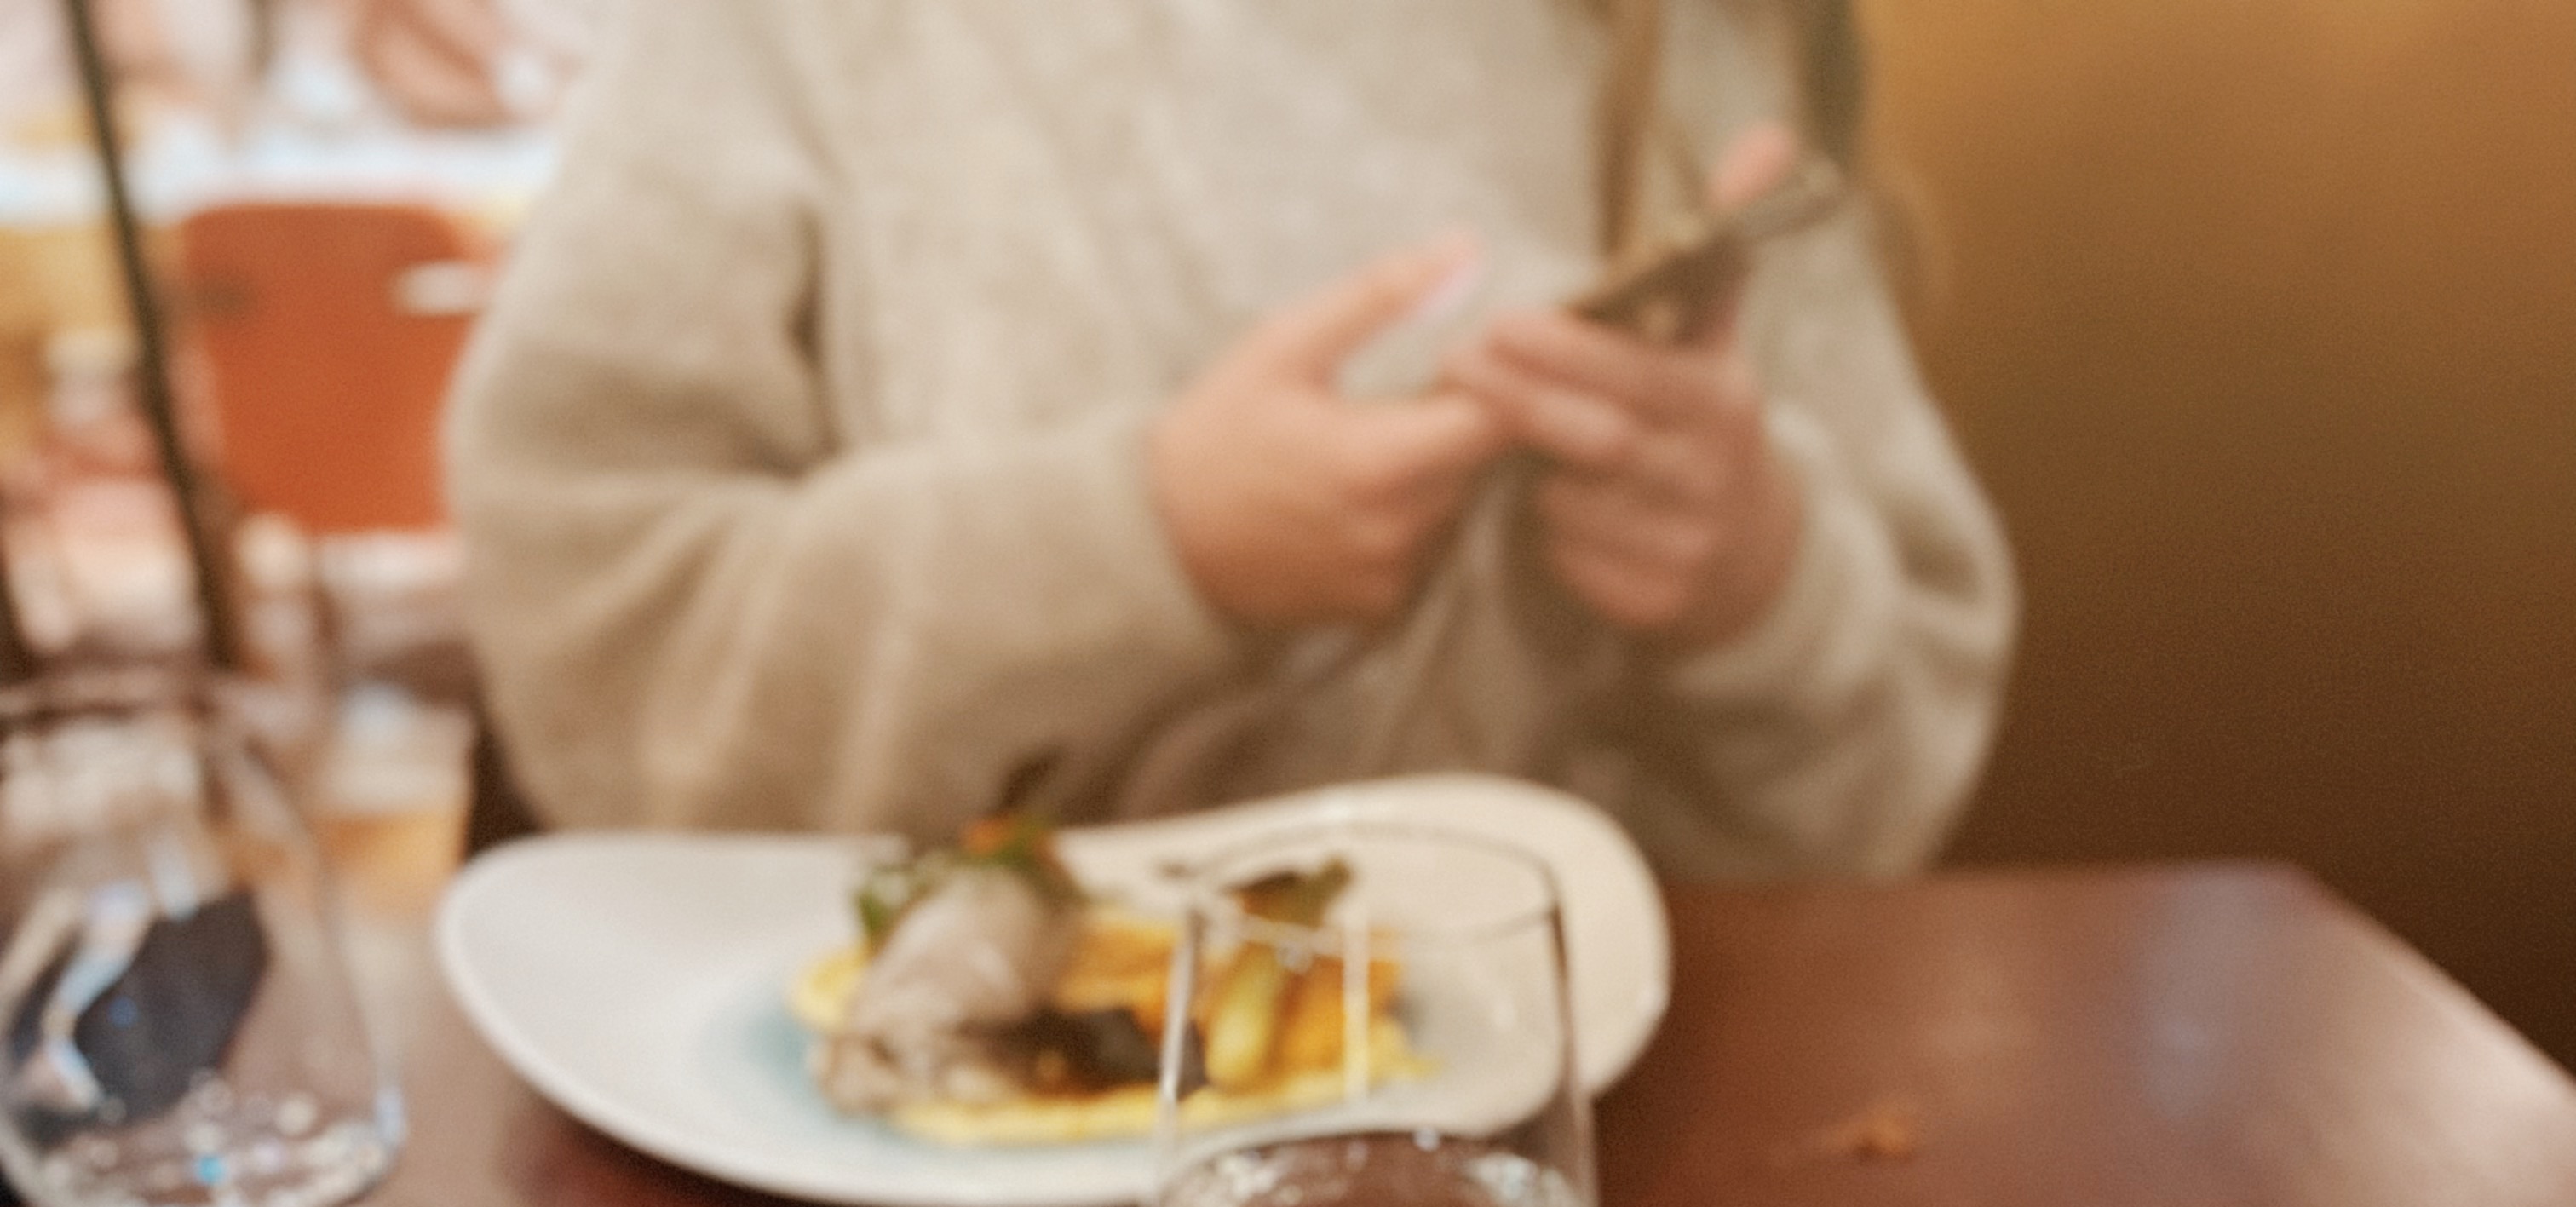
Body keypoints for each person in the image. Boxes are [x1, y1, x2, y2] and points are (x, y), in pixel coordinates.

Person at [446, 0, 2015, 878]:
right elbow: (597, 655)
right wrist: (1146, 546)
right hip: (861, 1196)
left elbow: (1892, 784)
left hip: (1579, 1181)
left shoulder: (1685, 47)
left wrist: (1756, 585)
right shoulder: (789, 40)